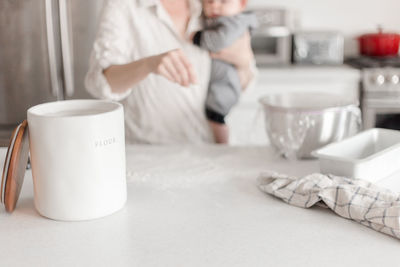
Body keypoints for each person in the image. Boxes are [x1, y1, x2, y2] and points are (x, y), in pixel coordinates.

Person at [85, 0, 255, 144]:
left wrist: (244, 62)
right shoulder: (124, 6)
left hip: (204, 146)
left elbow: (247, 82)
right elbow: (100, 84)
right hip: (146, 149)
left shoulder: (211, 5)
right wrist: (148, 64)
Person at [193, 0, 258, 143]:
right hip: (220, 82)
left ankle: (222, 145)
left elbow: (221, 40)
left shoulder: (235, 22)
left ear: (241, 4)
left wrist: (198, 38)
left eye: (224, 1)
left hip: (226, 85)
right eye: (209, 1)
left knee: (215, 116)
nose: (215, 5)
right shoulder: (218, 19)